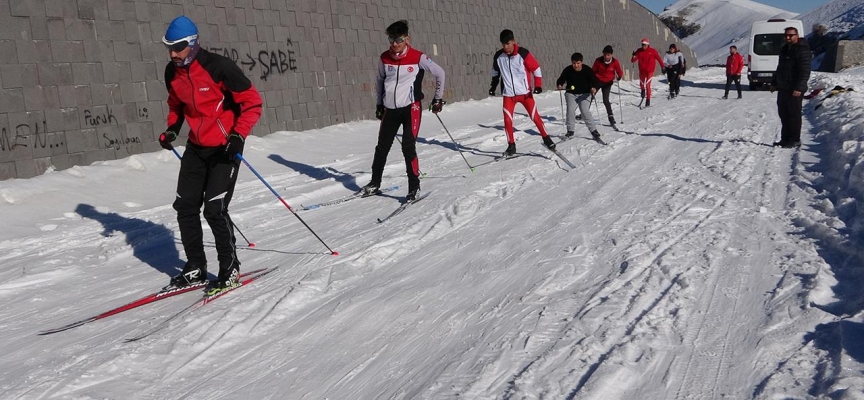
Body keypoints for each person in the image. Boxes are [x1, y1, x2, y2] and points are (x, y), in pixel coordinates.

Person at [158, 16, 263, 292]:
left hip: (224, 147)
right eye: (169, 47)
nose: (173, 53)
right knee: (185, 206)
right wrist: (172, 130)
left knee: (215, 209)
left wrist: (238, 135)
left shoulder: (219, 67)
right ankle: (195, 267)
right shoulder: (172, 72)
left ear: (192, 44)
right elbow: (176, 105)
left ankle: (230, 269)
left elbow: (252, 103)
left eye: (178, 47)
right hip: (196, 147)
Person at [360, 20, 446, 202]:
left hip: (411, 108)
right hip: (390, 109)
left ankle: (414, 188)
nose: (394, 44)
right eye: (391, 39)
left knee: (408, 145)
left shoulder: (418, 57)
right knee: (382, 146)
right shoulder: (384, 58)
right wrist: (378, 104)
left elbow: (440, 73)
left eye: (398, 39)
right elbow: (380, 81)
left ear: (407, 39)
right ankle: (375, 183)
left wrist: (438, 98)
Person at [489, 29, 557, 156]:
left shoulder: (523, 53)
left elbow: (536, 69)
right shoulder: (499, 56)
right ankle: (511, 146)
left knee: (534, 117)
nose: (506, 47)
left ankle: (547, 139)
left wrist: (538, 86)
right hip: (509, 95)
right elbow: (495, 72)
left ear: (514, 41)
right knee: (507, 120)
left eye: (508, 43)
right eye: (503, 44)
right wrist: (493, 86)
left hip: (525, 94)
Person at [770, 26, 811, 148]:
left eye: (790, 35)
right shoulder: (784, 49)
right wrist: (774, 83)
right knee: (784, 114)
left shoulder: (802, 50)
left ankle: (795, 139)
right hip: (783, 88)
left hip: (794, 89)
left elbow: (805, 71)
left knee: (793, 115)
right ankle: (785, 138)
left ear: (796, 36)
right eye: (786, 35)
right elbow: (780, 68)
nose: (787, 37)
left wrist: (799, 87)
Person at [557, 53, 601, 140]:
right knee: (570, 109)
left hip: (585, 94)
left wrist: (594, 88)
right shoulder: (568, 70)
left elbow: (596, 81)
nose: (576, 65)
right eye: (574, 63)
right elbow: (561, 79)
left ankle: (593, 131)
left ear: (581, 62)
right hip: (571, 93)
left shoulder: (587, 70)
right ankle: (570, 131)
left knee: (584, 110)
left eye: (578, 63)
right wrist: (559, 84)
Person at [592, 45, 624, 126]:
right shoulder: (598, 60)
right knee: (590, 96)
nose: (606, 56)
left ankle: (610, 116)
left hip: (608, 82)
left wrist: (619, 76)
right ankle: (584, 113)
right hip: (598, 81)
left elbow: (619, 71)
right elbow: (592, 71)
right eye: (605, 54)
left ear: (611, 55)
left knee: (605, 100)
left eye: (608, 55)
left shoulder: (615, 62)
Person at [630, 38, 665, 107]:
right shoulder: (639, 51)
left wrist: (662, 67)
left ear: (647, 45)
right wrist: (633, 55)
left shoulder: (652, 51)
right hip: (642, 71)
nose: (643, 46)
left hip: (650, 71)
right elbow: (633, 61)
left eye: (645, 45)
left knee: (648, 85)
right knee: (641, 84)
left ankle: (648, 100)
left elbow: (659, 58)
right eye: (642, 45)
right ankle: (643, 91)